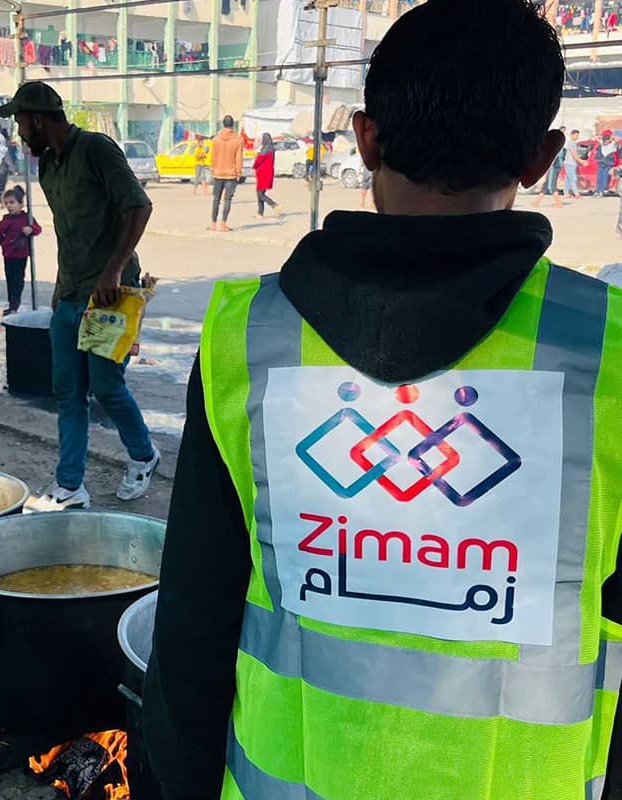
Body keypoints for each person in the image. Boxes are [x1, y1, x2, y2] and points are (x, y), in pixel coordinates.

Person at [142, 2, 622, 799]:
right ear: (542, 159)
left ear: (364, 138)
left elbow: (192, 625)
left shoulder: (245, 339)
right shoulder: (607, 354)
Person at [0, 81, 160, 509]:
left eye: (20, 123)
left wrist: (113, 269)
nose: (19, 133)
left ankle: (144, 455)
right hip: (71, 295)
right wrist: (58, 287)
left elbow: (138, 206)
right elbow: (71, 236)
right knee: (67, 391)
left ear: (36, 119)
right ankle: (70, 485)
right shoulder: (49, 166)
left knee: (106, 387)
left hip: (113, 294)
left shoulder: (96, 150)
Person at [0, 185, 41, 315]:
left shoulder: (27, 218)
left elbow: (38, 228)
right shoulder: (5, 221)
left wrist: (31, 230)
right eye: (7, 203)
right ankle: (12, 304)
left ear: (21, 204)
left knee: (18, 280)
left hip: (22, 255)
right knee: (10, 280)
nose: (9, 206)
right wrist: (5, 244)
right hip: (9, 255)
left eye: (12, 203)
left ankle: (15, 304)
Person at [208, 115, 242, 232]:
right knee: (227, 199)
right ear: (233, 125)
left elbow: (212, 156)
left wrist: (213, 169)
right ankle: (223, 224)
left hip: (217, 173)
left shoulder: (216, 139)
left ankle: (213, 224)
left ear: (223, 124)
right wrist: (238, 173)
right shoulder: (237, 140)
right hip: (231, 174)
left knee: (216, 199)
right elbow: (239, 158)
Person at [533, 124, 566, 207]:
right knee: (546, 184)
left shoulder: (558, 145)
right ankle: (537, 202)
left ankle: (559, 203)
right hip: (554, 166)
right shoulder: (560, 144)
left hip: (554, 167)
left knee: (551, 184)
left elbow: (554, 157)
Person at [253, 133, 282, 219]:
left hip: (263, 174)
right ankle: (260, 213)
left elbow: (258, 161)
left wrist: (254, 165)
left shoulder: (265, 150)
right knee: (260, 193)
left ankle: (274, 205)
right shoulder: (271, 149)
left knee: (260, 194)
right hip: (268, 173)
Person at [564, 128, 586, 198]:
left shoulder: (573, 143)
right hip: (570, 163)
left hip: (571, 163)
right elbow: (574, 154)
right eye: (576, 135)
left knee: (568, 179)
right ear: (571, 135)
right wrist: (581, 161)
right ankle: (576, 194)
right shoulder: (571, 143)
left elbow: (575, 154)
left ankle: (566, 193)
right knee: (573, 178)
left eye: (578, 136)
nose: (577, 137)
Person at [595, 129, 619, 196]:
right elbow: (595, 138)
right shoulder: (602, 143)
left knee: (605, 179)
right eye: (604, 140)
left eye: (606, 140)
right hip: (601, 164)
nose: (605, 142)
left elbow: (617, 140)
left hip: (608, 164)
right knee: (599, 178)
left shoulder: (613, 145)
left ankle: (601, 191)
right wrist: (601, 136)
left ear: (609, 140)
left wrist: (612, 137)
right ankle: (598, 191)